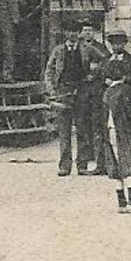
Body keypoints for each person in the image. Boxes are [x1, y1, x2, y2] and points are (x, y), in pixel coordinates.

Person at [100, 31, 131, 214]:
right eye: (113, 43)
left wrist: (121, 80)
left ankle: (123, 201)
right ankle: (130, 201)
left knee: (117, 157)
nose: (117, 46)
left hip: (114, 116)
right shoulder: (106, 61)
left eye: (120, 43)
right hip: (120, 119)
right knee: (129, 157)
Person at [43, 23, 90, 177]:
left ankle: (82, 165)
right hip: (63, 94)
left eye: (75, 31)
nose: (73, 34)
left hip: (81, 93)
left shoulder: (85, 49)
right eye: (70, 30)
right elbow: (49, 71)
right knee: (64, 132)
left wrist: (93, 74)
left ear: (79, 33)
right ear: (65, 32)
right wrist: (52, 91)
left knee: (82, 130)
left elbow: (103, 61)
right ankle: (65, 166)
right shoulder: (58, 51)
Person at [77, 23, 111, 175]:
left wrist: (96, 71)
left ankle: (101, 163)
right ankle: (83, 162)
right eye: (85, 31)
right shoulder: (77, 49)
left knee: (99, 128)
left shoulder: (101, 48)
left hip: (97, 92)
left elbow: (107, 64)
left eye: (90, 30)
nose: (88, 33)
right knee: (83, 127)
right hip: (82, 93)